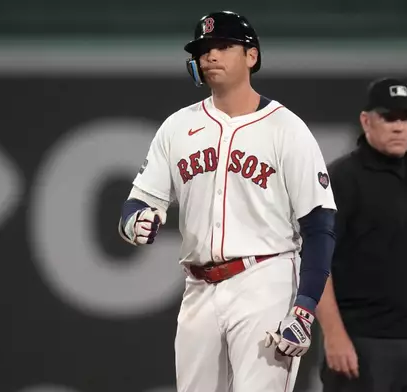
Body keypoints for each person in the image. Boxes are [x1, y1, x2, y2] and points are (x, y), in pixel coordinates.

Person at [117, 10, 337, 392]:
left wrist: (304, 306)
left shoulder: (287, 129)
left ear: (252, 56)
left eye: (223, 46)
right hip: (198, 289)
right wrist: (135, 222)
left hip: (264, 280)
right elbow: (137, 203)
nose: (211, 56)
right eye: (203, 50)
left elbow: (320, 226)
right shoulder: (178, 126)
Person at [317, 77, 407, 392]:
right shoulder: (341, 179)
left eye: (405, 117)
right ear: (366, 121)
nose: (399, 126)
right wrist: (333, 335)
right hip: (363, 345)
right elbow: (316, 263)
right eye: (388, 117)